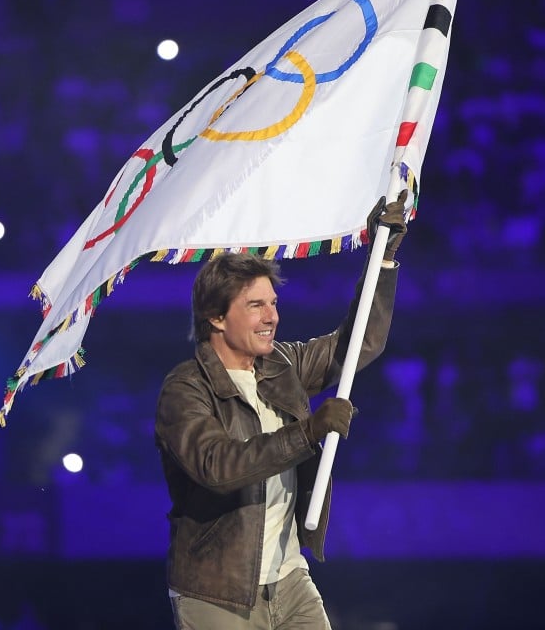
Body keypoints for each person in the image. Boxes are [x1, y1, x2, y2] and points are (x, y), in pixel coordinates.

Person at [155, 192, 408, 629]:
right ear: (216, 318)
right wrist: (308, 432)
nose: (272, 316)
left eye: (273, 303)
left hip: (290, 580)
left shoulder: (282, 364)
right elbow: (219, 467)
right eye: (256, 306)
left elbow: (357, 347)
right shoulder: (185, 389)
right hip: (216, 592)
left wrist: (380, 262)